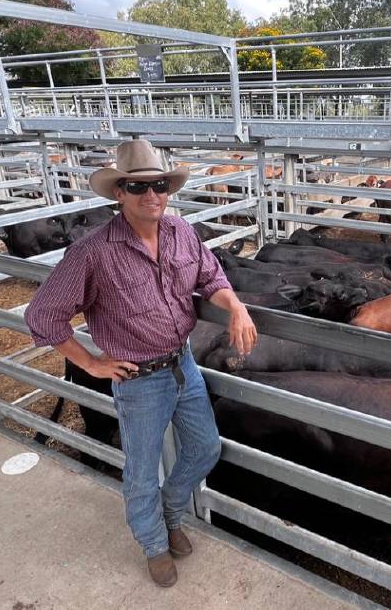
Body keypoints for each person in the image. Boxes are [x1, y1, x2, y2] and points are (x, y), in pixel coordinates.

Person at [24, 139, 257, 587]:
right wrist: (90, 363)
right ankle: (153, 543)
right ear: (119, 193)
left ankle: (171, 514)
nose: (151, 196)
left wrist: (237, 307)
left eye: (160, 185)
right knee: (141, 468)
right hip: (137, 379)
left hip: (182, 364)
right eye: (137, 187)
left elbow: (212, 278)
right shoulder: (91, 252)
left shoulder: (181, 232)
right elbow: (43, 316)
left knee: (206, 447)